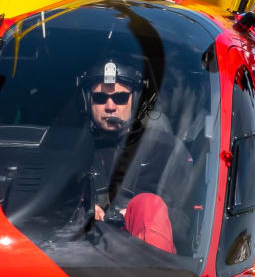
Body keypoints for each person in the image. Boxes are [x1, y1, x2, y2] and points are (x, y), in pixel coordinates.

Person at [78, 57, 191, 253]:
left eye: (121, 98)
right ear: (87, 101)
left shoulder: (166, 150)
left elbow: (189, 223)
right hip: (79, 256)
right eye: (100, 98)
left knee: (148, 205)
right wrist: (82, 212)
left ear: (136, 100)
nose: (110, 106)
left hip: (147, 262)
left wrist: (138, 215)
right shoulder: (69, 149)